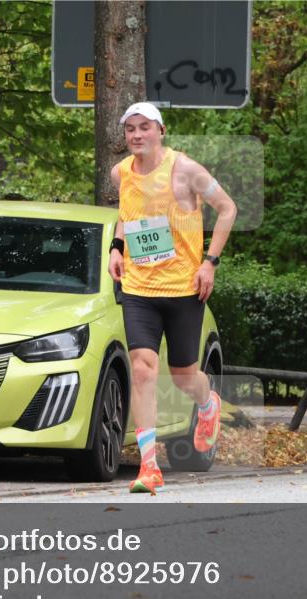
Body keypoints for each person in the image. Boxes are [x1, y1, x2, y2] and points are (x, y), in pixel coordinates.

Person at [108, 102, 237, 493]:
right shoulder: (121, 174)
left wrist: (209, 262)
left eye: (144, 127)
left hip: (184, 288)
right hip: (139, 289)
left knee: (183, 376)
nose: (136, 135)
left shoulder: (185, 170)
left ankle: (207, 403)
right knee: (143, 369)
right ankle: (149, 465)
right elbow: (127, 213)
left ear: (161, 130)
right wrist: (116, 246)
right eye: (130, 129)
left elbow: (227, 209)